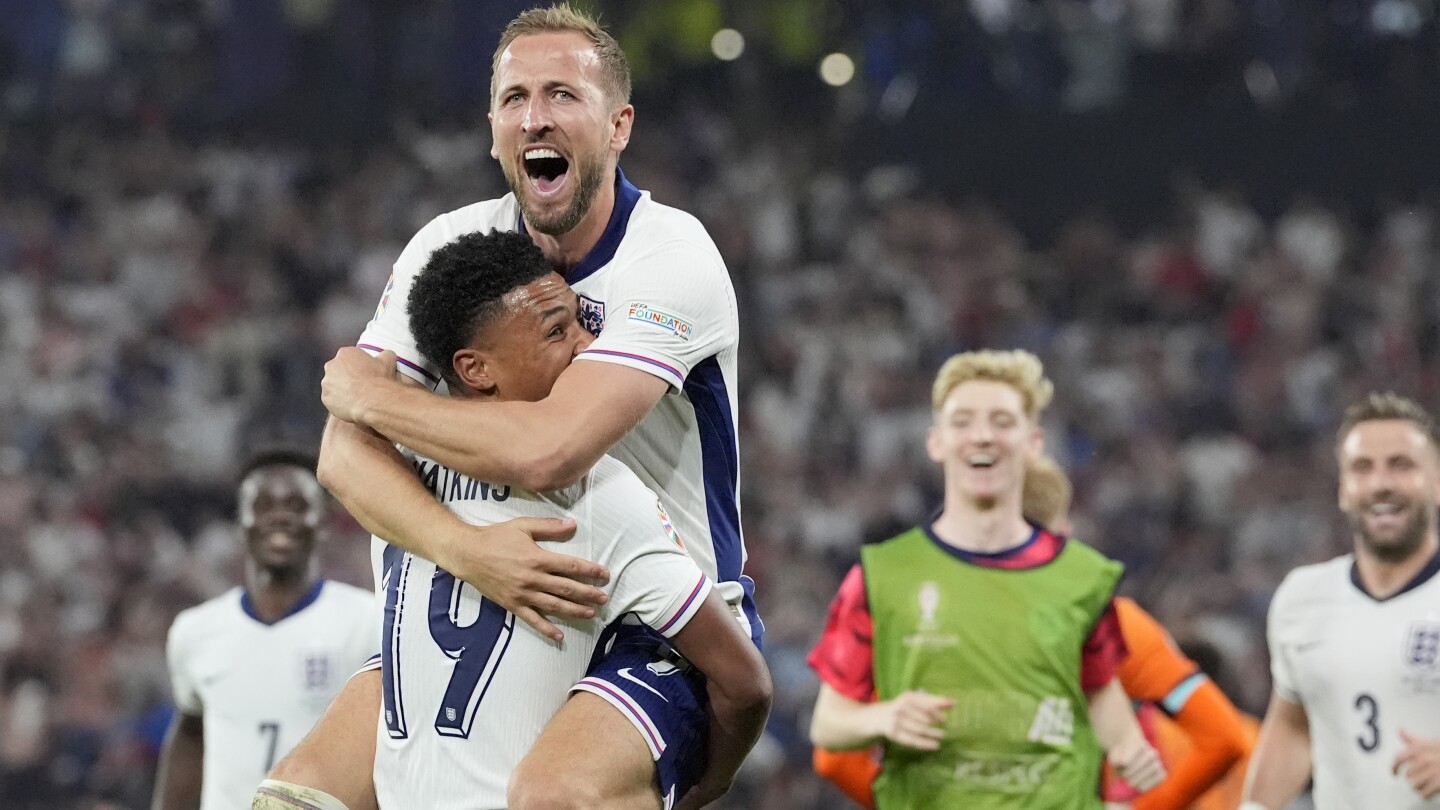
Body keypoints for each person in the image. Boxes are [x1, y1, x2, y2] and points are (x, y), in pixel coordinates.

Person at [264, 5, 759, 810]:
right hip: (489, 589)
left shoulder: (670, 258)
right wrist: (465, 550)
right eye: (515, 97)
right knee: (298, 798)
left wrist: (374, 394)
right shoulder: (451, 247)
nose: (536, 116)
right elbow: (342, 456)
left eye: (564, 94)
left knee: (551, 799)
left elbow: (549, 450)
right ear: (493, 127)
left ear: (618, 124)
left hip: (657, 615)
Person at [807, 349, 1165, 808]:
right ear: (936, 442)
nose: (982, 436)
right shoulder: (881, 577)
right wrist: (882, 717)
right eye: (962, 421)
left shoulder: (1083, 578)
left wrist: (1133, 752)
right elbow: (828, 724)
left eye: (1001, 421)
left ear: (1033, 442)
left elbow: (1104, 702)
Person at [813, 454, 1251, 809]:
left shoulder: (912, 630)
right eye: (1063, 527)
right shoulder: (1111, 620)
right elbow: (1224, 739)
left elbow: (834, 759)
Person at [1243, 391, 1440, 810]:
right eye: (1362, 468)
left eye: (1401, 465)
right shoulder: (1302, 598)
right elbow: (1294, 728)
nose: (1381, 484)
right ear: (1343, 490)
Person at [151, 450, 374, 810]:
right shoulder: (195, 632)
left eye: (297, 504)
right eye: (263, 504)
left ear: (323, 523)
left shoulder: (367, 621)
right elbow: (192, 733)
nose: (280, 516)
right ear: (241, 523)